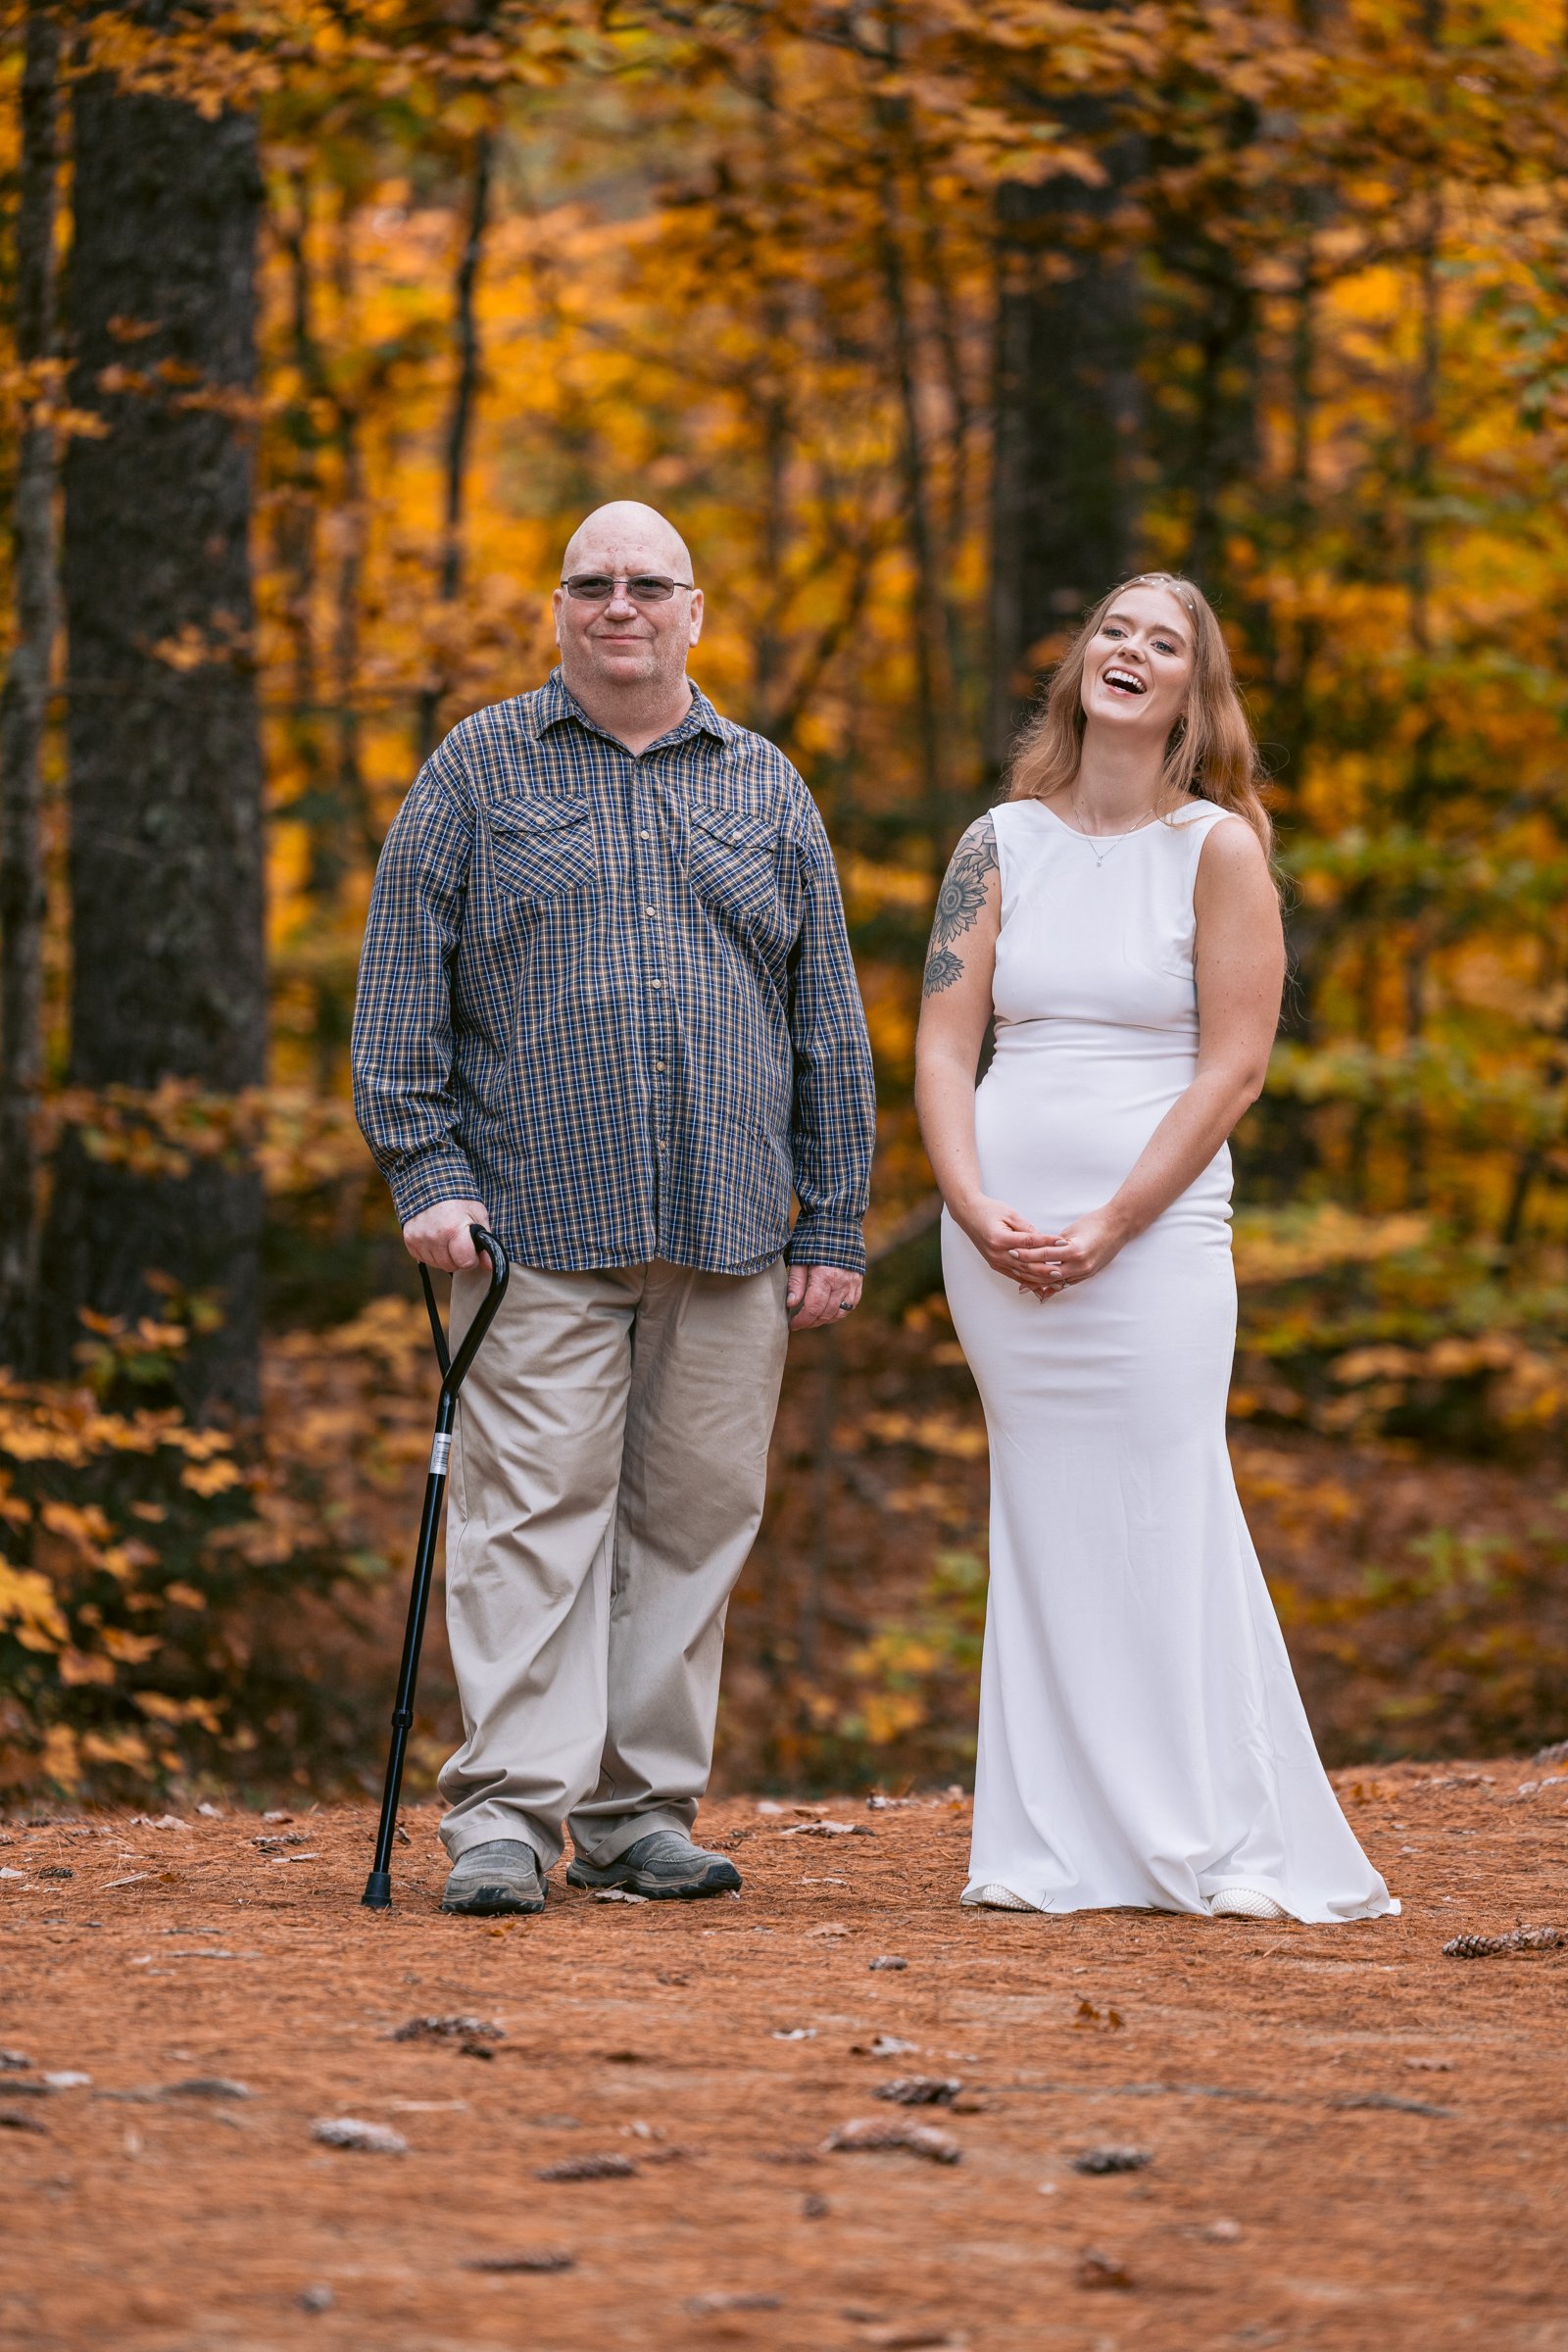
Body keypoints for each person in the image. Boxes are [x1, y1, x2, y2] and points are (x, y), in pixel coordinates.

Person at [352, 501, 875, 1914]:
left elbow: (827, 1020)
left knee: (692, 1528)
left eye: (650, 584)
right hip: (531, 1228)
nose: (621, 605)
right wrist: (427, 1171)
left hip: (731, 1228)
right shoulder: (478, 769)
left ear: (696, 611)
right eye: (595, 584)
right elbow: (401, 986)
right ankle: (508, 1819)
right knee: (531, 1523)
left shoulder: (765, 787)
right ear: (562, 609)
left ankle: (638, 1814)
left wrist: (832, 1222)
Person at [914, 573, 1396, 1925]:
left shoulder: (1219, 849)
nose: (1131, 652)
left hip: (1157, 1239)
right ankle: (1049, 1838)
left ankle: (1195, 1822)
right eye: (1113, 631)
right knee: (1045, 1509)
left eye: (1163, 642)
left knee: (1164, 1497)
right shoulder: (993, 842)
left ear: (1195, 689)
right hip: (998, 1242)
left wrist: (1115, 1222)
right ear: (1077, 668)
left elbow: (1235, 1070)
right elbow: (948, 1044)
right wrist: (968, 1200)